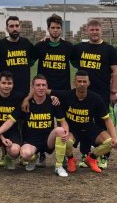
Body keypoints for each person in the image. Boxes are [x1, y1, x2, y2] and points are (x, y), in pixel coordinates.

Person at [0, 74, 70, 177]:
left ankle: (59, 166)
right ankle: (33, 158)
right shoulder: (25, 104)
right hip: (31, 141)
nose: (41, 88)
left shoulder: (53, 102)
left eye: (43, 85)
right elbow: (10, 121)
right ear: (32, 87)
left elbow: (63, 122)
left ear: (47, 86)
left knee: (60, 130)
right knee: (25, 154)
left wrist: (66, 132)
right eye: (38, 85)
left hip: (48, 140)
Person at [72, 19, 117, 169]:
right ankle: (86, 154)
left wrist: (113, 92)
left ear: (101, 31)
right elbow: (62, 50)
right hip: (83, 94)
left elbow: (116, 72)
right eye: (91, 30)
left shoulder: (109, 49)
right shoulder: (80, 48)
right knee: (85, 124)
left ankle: (102, 156)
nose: (94, 32)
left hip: (102, 94)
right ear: (87, 31)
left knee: (101, 125)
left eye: (96, 30)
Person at [50, 70, 117, 173]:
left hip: (89, 128)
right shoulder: (66, 95)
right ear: (74, 82)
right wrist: (52, 97)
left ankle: (91, 158)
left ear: (88, 83)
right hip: (73, 129)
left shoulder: (96, 98)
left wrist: (114, 138)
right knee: (66, 141)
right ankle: (71, 159)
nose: (82, 84)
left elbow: (107, 120)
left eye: (84, 81)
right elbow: (44, 91)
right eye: (79, 81)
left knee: (110, 142)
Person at [34, 14, 74, 167]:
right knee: (42, 122)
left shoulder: (68, 47)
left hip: (63, 91)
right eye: (53, 27)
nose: (55, 30)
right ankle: (41, 153)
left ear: (61, 29)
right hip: (43, 92)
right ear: (48, 29)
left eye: (58, 28)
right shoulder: (40, 46)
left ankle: (62, 155)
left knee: (62, 123)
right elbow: (29, 61)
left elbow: (79, 64)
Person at [0, 71, 26, 171]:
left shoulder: (18, 97)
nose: (6, 86)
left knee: (15, 150)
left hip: (11, 130)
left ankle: (8, 159)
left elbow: (10, 122)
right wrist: (1, 138)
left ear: (13, 84)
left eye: (9, 83)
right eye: (3, 83)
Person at [0, 16, 36, 95]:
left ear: (20, 27)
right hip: (6, 89)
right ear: (6, 29)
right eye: (11, 26)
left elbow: (35, 56)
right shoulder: (0, 45)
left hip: (23, 89)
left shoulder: (26, 43)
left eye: (17, 26)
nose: (14, 29)